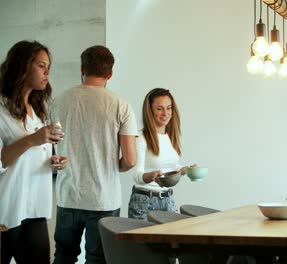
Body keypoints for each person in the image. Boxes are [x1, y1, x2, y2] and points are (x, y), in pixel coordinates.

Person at [50, 45, 138, 263]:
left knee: (64, 255)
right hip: (103, 199)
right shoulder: (121, 105)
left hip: (68, 195)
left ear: (82, 69)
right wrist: (109, 163)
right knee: (98, 258)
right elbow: (130, 160)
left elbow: (51, 148)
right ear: (110, 73)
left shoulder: (58, 102)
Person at [0, 40, 67, 264]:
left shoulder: (37, 111)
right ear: (22, 66)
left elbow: (32, 156)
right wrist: (32, 140)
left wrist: (54, 161)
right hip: (7, 209)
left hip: (37, 207)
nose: (47, 71)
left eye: (48, 66)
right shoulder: (0, 108)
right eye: (40, 65)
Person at [128, 88, 196, 220]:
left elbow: (170, 166)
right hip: (144, 201)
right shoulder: (141, 137)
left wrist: (183, 170)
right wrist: (151, 176)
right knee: (144, 241)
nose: (165, 113)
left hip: (168, 198)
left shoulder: (170, 136)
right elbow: (136, 175)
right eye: (159, 109)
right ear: (150, 111)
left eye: (168, 108)